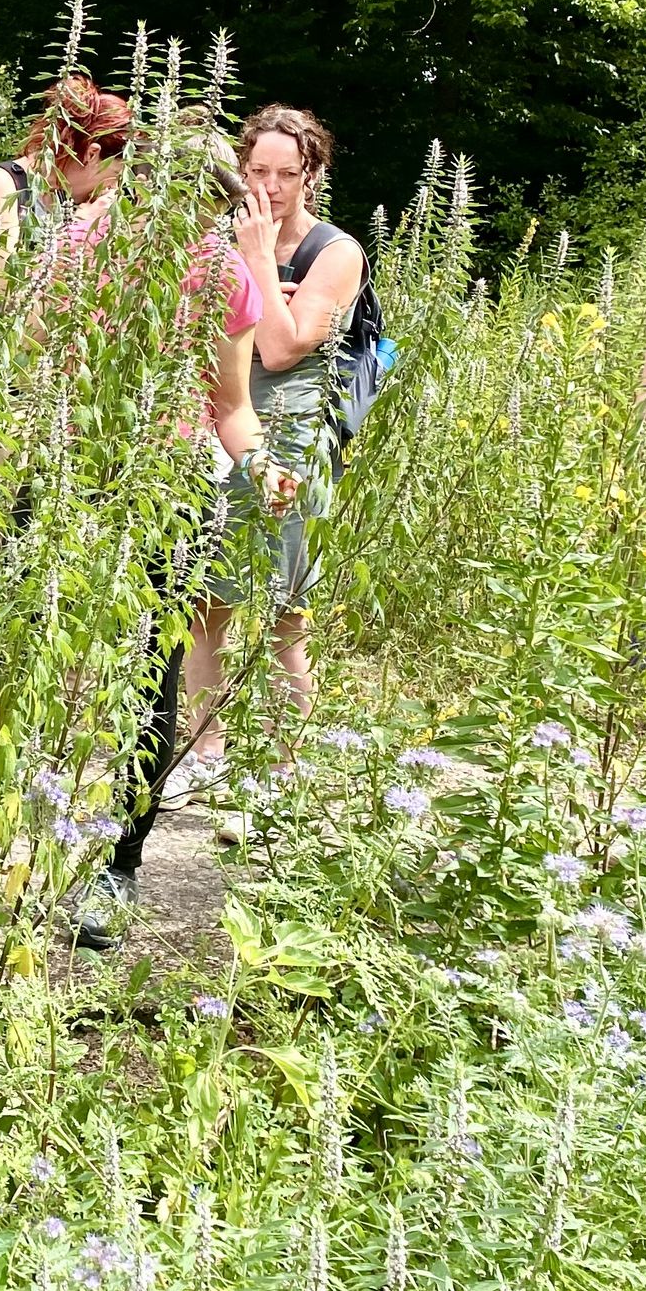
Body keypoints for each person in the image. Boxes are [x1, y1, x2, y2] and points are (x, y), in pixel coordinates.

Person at [2, 85, 291, 951]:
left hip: (168, 489)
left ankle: (117, 869)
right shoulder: (87, 240)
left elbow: (230, 404)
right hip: (71, 474)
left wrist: (267, 467)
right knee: (25, 652)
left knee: (149, 680)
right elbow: (33, 352)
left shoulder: (223, 272)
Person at [176, 105, 365, 804]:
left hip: (296, 438)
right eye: (258, 171)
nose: (271, 186)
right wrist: (265, 295)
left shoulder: (334, 252)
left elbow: (284, 348)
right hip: (226, 429)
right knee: (207, 605)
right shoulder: (212, 238)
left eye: (289, 173)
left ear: (313, 173)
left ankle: (285, 767)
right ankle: (205, 750)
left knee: (286, 612)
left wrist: (255, 262)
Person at [0, 79, 134, 265]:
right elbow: (4, 288)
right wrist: (82, 227)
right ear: (91, 154)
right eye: (114, 176)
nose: (112, 188)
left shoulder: (60, 197)